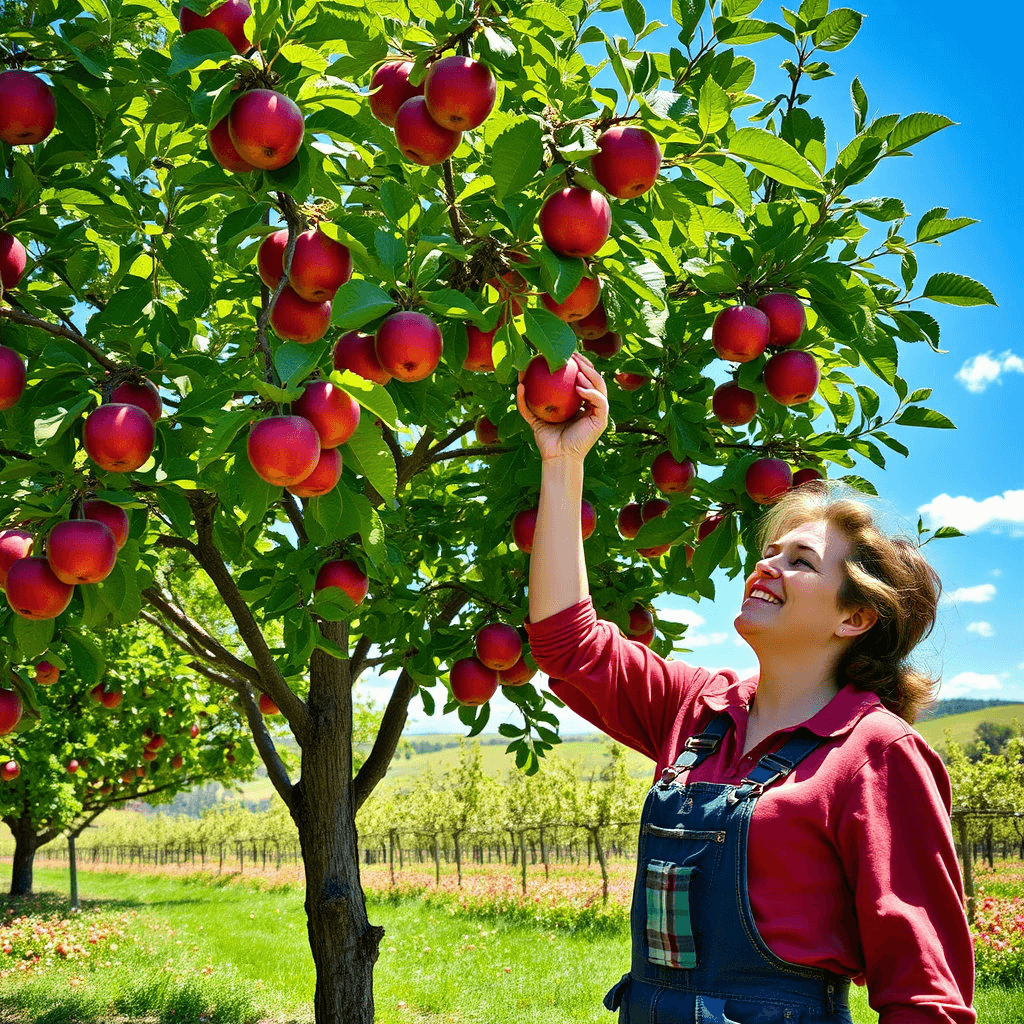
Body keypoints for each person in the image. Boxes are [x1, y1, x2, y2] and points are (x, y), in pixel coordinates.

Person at [516, 355, 975, 1024]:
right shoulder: (700, 709)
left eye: (802, 561)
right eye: (771, 551)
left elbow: (925, 998)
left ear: (855, 616)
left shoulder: (876, 755)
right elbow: (567, 644)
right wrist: (563, 465)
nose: (769, 566)